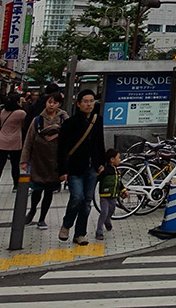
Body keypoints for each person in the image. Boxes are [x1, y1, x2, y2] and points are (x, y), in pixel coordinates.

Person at [56, 89, 105, 245]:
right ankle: (67, 224)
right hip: (74, 167)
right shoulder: (70, 123)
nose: (89, 104)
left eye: (91, 101)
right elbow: (62, 148)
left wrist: (101, 163)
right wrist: (62, 170)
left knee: (87, 202)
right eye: (85, 101)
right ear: (78, 104)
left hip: (92, 167)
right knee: (77, 197)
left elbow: (100, 143)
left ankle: (80, 234)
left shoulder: (98, 120)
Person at [20, 92, 66, 230]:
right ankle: (32, 210)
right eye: (49, 102)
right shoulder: (37, 120)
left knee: (49, 190)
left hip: (55, 161)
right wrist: (24, 160)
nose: (51, 105)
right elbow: (28, 141)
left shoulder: (64, 119)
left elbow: (70, 137)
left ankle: (42, 218)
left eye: (55, 102)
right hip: (38, 160)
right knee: (37, 189)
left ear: (59, 104)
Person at [0, 95, 27, 194]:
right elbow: (24, 125)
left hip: (2, 139)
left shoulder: (2, 111)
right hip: (15, 140)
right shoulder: (21, 113)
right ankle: (16, 185)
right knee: (15, 164)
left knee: (0, 164)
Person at [93, 148, 121, 241]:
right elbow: (98, 179)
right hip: (104, 196)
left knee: (111, 210)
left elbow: (119, 182)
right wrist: (98, 174)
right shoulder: (105, 170)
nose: (120, 160)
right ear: (112, 160)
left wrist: (124, 190)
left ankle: (107, 220)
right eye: (118, 158)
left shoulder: (117, 171)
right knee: (104, 212)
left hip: (114, 196)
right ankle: (99, 231)